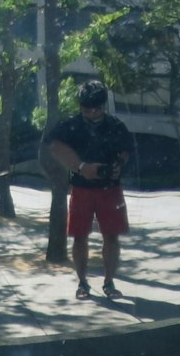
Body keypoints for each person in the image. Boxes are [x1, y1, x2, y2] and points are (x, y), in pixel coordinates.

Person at [41, 79, 133, 300]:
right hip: (81, 188)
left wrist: (118, 167)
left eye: (97, 108)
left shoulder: (116, 126)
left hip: (110, 188)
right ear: (80, 106)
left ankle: (109, 282)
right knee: (79, 236)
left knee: (111, 236)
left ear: (104, 105)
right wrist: (81, 167)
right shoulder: (71, 126)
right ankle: (82, 282)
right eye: (87, 108)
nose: (92, 112)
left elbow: (126, 150)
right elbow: (53, 145)